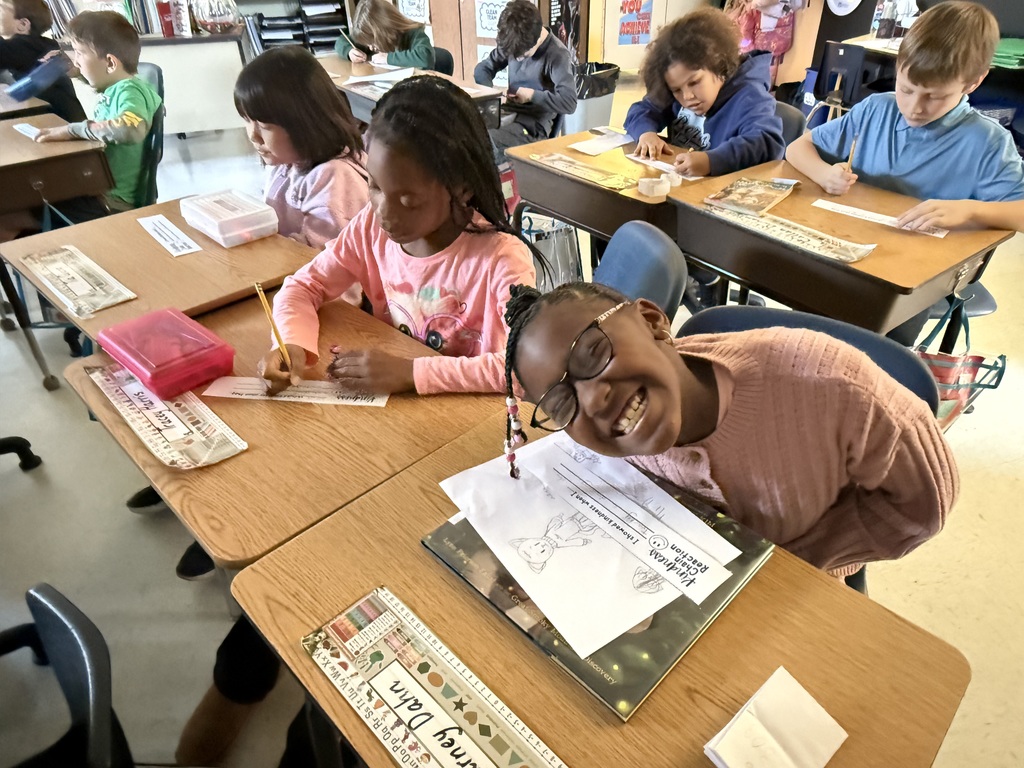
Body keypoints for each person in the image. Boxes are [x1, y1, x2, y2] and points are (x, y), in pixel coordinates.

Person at [176, 75, 539, 767]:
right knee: (288, 566)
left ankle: (312, 726)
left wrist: (414, 374)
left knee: (368, 585)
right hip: (376, 442)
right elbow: (303, 287)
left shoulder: (502, 260)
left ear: (462, 187)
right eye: (374, 186)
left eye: (407, 196)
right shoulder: (374, 228)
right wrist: (294, 347)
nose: (385, 210)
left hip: (453, 459)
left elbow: (522, 370)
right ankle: (264, 691)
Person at [500, 282, 958, 583]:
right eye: (563, 402)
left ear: (653, 321)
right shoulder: (611, 435)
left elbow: (927, 502)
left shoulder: (829, 384)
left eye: (594, 352)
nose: (594, 399)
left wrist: (800, 559)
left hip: (800, 583)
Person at [169, 45, 372, 580]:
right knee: (229, 383)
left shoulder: (338, 178)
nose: (253, 140)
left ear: (303, 122)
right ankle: (222, 522)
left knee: (279, 417)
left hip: (331, 315)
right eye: (248, 126)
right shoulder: (289, 166)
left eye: (262, 127)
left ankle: (258, 534)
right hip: (284, 297)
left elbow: (335, 275)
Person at [786, 1, 1024, 344]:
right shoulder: (875, 109)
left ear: (973, 82)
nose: (914, 108)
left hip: (913, 279)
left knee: (875, 342)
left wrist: (969, 209)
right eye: (906, 89)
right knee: (805, 312)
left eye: (935, 97)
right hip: (845, 251)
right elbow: (797, 149)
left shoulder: (987, 142)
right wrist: (825, 174)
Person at [625, 7, 784, 178]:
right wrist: (645, 133)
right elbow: (642, 110)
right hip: (683, 187)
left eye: (694, 82)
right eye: (676, 90)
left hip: (723, 193)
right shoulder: (678, 87)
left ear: (719, 64)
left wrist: (712, 161)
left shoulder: (750, 96)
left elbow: (767, 142)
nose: (687, 96)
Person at [35, 11, 162, 214]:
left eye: (80, 53)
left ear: (111, 63)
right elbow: (104, 80)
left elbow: (129, 129)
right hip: (102, 189)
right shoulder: (118, 87)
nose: (76, 61)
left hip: (113, 202)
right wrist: (76, 72)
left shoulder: (131, 91)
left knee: (23, 211)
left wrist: (72, 130)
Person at [474, 0, 577, 165]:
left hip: (531, 127)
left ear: (536, 39)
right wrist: (491, 96)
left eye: (523, 55)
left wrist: (532, 96)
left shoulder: (557, 55)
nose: (517, 59)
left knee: (481, 143)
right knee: (461, 131)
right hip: (506, 114)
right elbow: (482, 69)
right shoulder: (514, 39)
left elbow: (569, 102)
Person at [0, 0, 86, 122]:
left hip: (58, 125)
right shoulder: (45, 44)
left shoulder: (23, 44)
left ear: (23, 24)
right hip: (71, 120)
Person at [334, 0, 434, 70]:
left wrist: (387, 58)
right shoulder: (372, 39)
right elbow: (341, 41)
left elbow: (425, 57)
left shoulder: (414, 33)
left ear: (383, 31)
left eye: (372, 43)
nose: (370, 48)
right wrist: (349, 51)